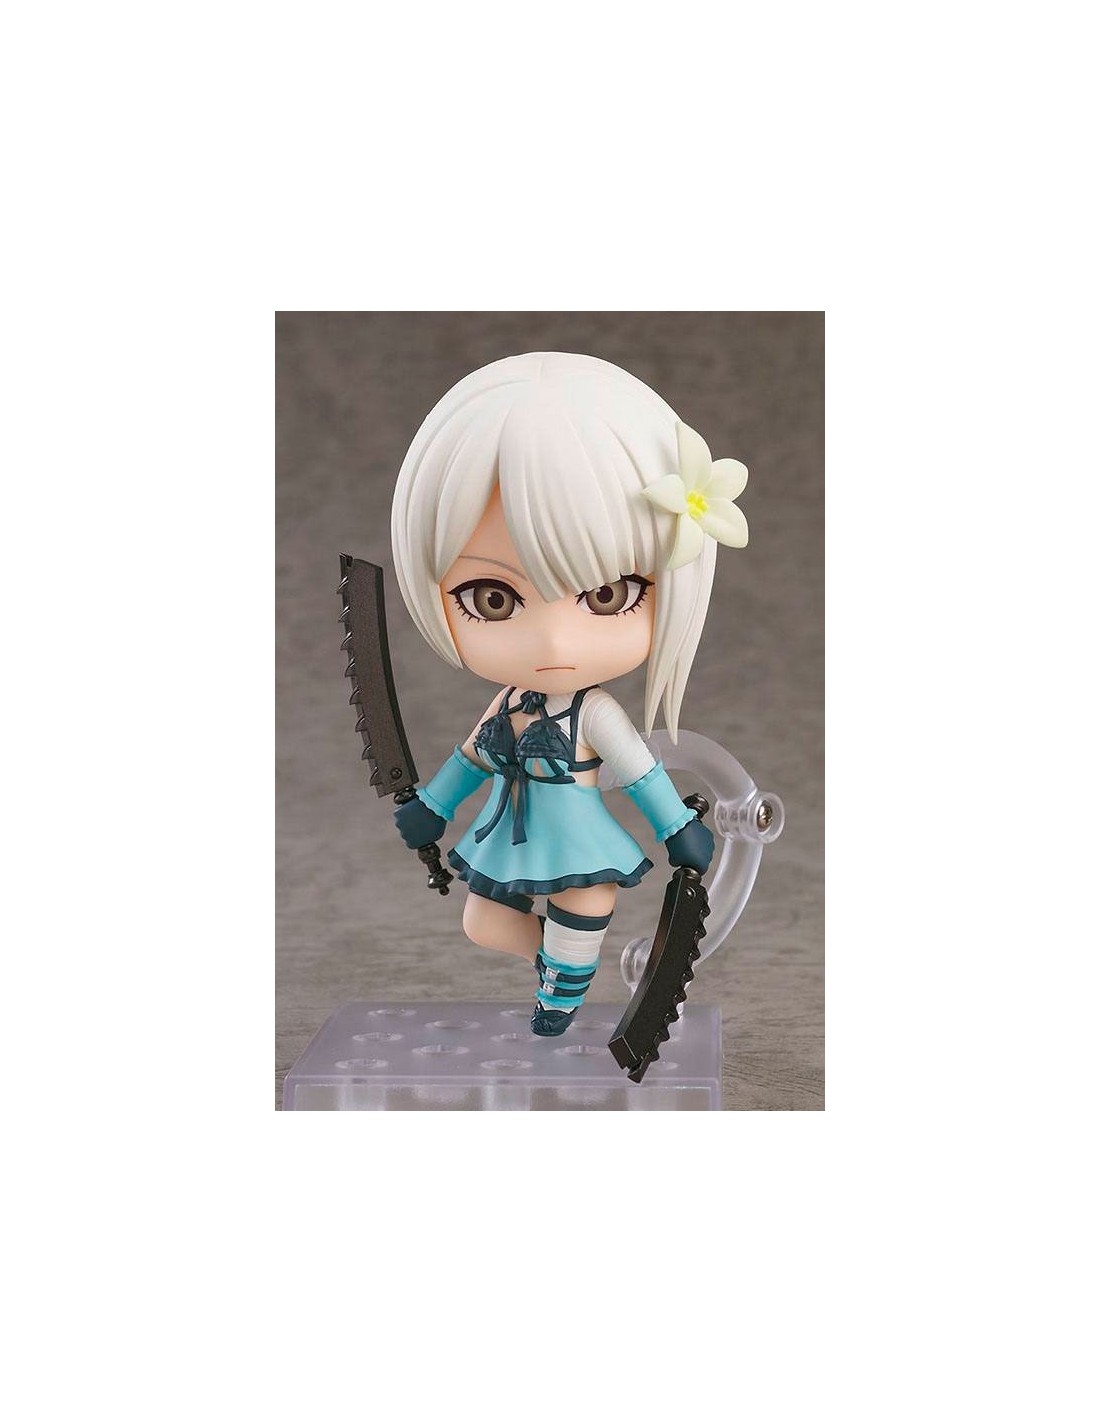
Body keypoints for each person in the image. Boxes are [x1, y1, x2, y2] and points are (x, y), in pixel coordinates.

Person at [388, 352, 748, 1035]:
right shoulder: (508, 704)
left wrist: (677, 826)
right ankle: (555, 971)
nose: (554, 641)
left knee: (579, 922)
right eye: (493, 599)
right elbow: (473, 756)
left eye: (607, 595)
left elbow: (640, 773)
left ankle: (559, 999)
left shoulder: (595, 712)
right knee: (484, 922)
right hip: (508, 833)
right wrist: (433, 806)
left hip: (582, 843)